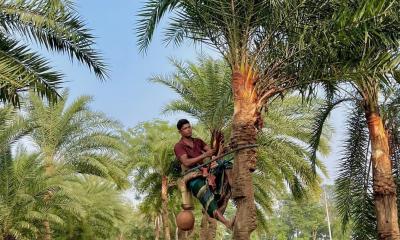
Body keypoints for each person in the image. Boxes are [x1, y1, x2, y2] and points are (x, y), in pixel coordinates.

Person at [174, 119, 234, 229]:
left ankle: (233, 187)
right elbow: (186, 162)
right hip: (192, 178)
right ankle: (227, 223)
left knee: (224, 163)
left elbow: (212, 152)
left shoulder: (198, 141)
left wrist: (218, 141)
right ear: (180, 132)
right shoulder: (179, 146)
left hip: (205, 171)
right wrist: (204, 155)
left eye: (189, 127)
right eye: (185, 128)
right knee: (205, 194)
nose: (188, 130)